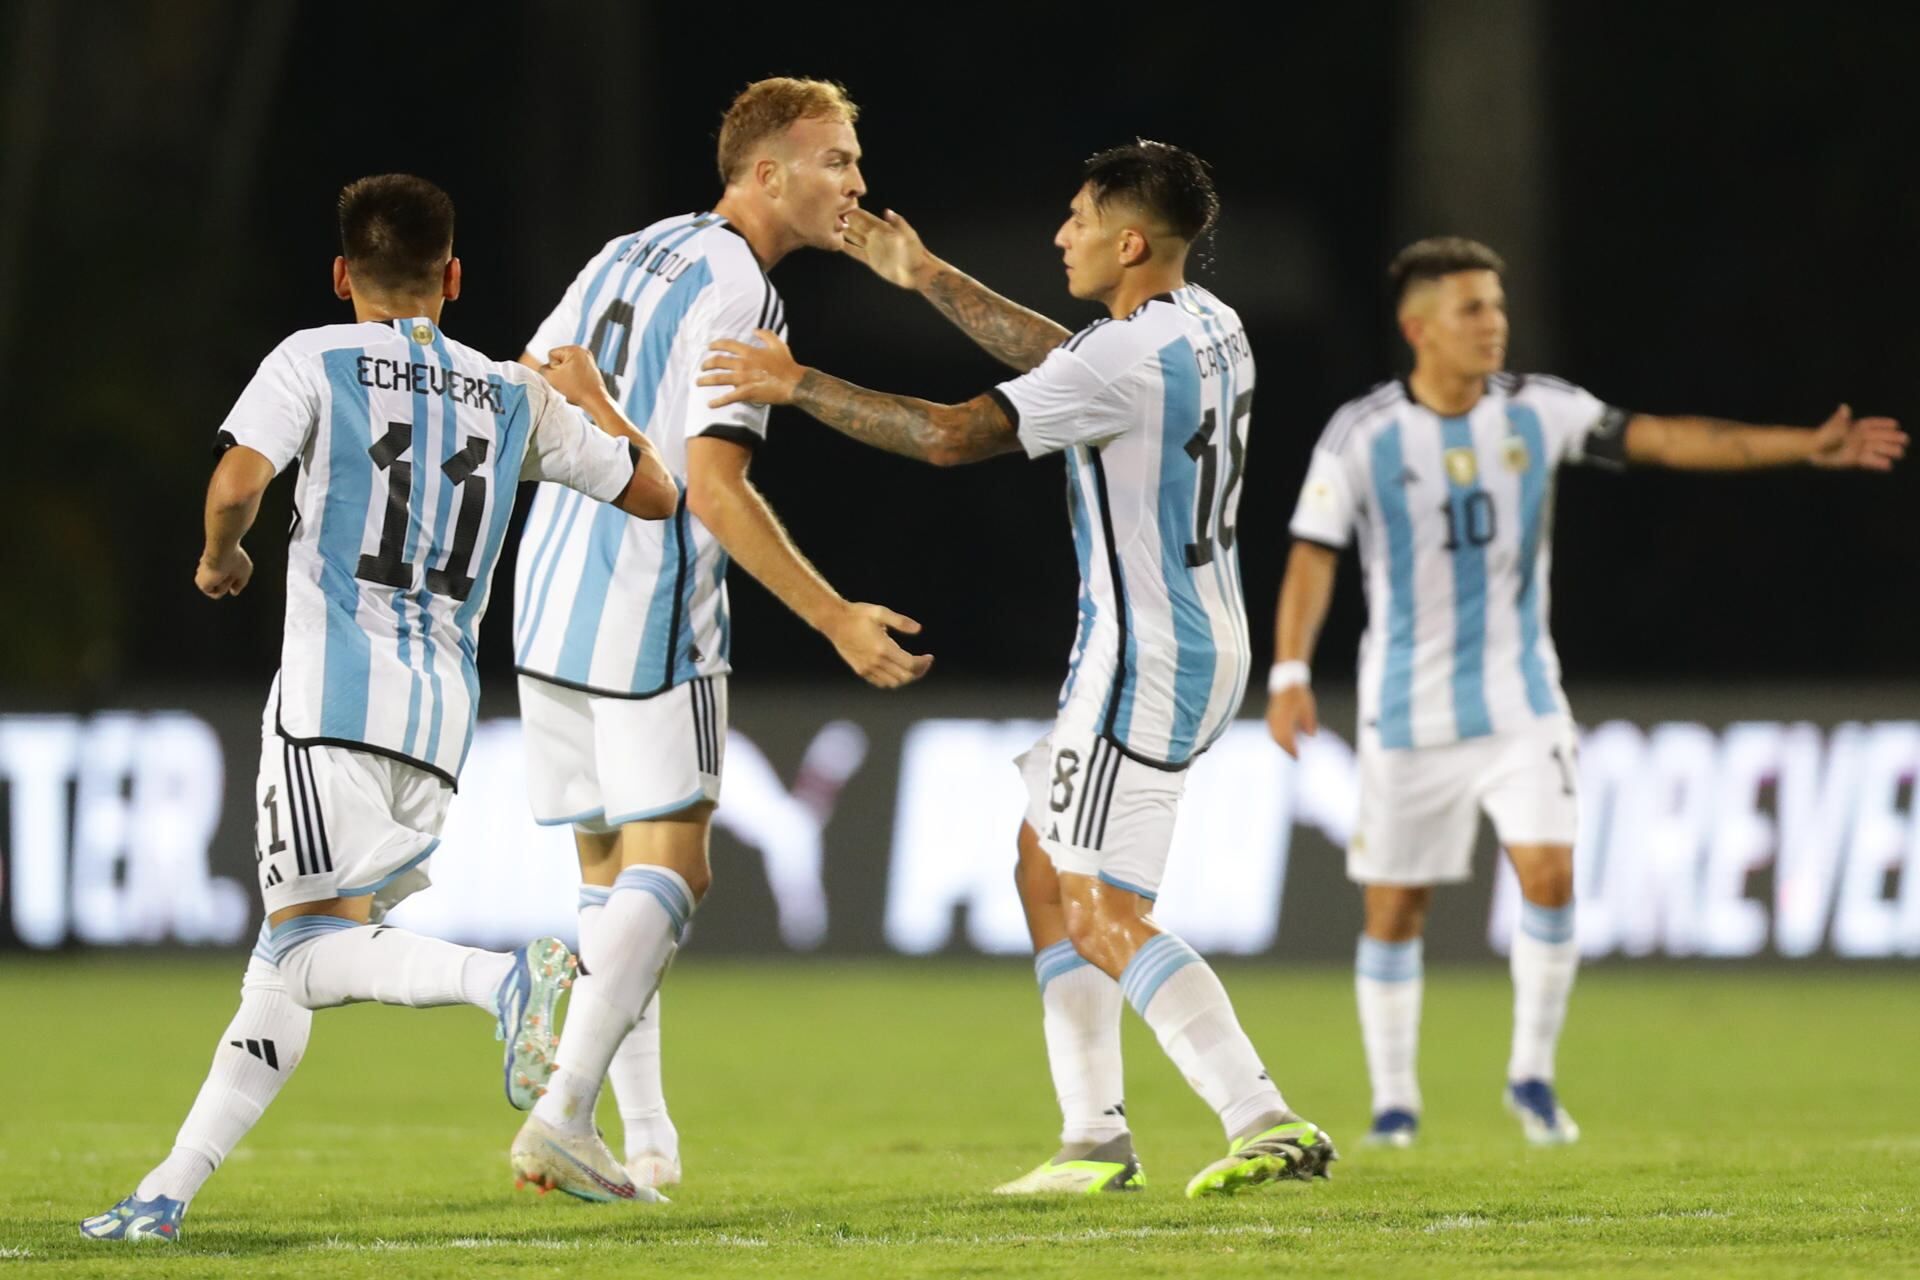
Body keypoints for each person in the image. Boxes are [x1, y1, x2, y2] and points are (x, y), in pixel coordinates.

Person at [702, 140, 1336, 1198]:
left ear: (1130, 241)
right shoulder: (1203, 326)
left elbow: (953, 437)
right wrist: (927, 275)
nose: (1062, 234)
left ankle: (1260, 1114)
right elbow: (1065, 358)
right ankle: (1094, 1138)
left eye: (1080, 218)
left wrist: (797, 383)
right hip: (1190, 639)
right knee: (1043, 870)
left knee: (1100, 909)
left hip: (1145, 656)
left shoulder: (1126, 356)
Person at [81, 173, 679, 1242]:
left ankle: (503, 977)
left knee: (311, 949)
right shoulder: (512, 392)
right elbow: (655, 492)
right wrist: (590, 396)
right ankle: (162, 1193)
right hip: (441, 723)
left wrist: (224, 559)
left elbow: (233, 483)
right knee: (284, 961)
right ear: (454, 276)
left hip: (329, 706)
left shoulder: (312, 355)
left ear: (341, 274)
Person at [1265, 236, 1907, 1148]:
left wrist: (1804, 446)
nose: (1494, 323)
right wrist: (1290, 672)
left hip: (1523, 700)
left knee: (1552, 875)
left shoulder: (1542, 411)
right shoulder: (1363, 434)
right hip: (1405, 714)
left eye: (1496, 304)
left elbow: (1667, 439)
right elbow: (1311, 556)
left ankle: (1530, 1077)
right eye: (1471, 309)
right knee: (1394, 908)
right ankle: (1395, 1103)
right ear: (1418, 328)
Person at [508, 76, 930, 1202]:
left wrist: (607, 421)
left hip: (546, 595)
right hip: (648, 607)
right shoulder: (744, 292)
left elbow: (534, 378)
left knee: (610, 882)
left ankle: (641, 1137)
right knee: (679, 866)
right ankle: (563, 1112)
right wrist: (835, 613)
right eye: (837, 159)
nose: (857, 181)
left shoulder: (629, 248)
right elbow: (715, 492)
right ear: (767, 171)